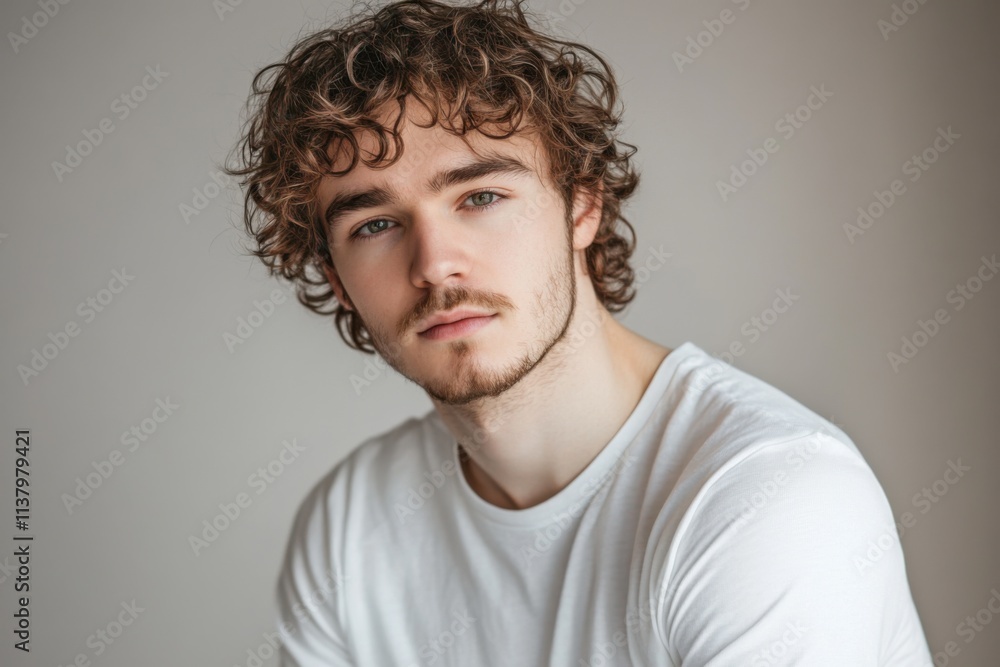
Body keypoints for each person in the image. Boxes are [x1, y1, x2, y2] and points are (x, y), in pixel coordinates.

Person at [224, 1, 933, 664]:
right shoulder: (350, 530)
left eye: (481, 196)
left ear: (581, 207)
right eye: (374, 224)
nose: (435, 263)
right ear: (337, 276)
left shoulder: (766, 497)